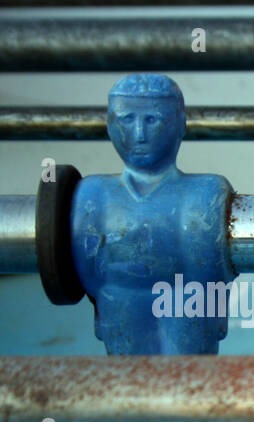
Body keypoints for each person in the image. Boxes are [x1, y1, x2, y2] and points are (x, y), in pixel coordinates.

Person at [71, 73, 234, 355]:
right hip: (120, 304)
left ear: (179, 124)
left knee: (191, 386)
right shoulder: (92, 194)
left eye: (152, 120)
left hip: (189, 307)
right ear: (110, 125)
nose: (139, 134)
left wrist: (216, 306)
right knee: (129, 389)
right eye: (126, 119)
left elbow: (215, 269)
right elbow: (87, 267)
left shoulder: (207, 193)